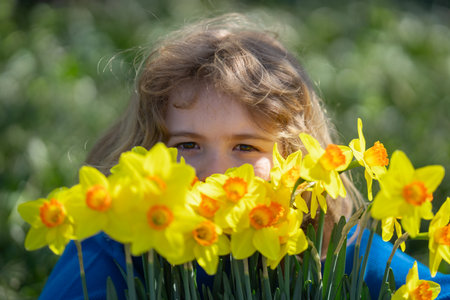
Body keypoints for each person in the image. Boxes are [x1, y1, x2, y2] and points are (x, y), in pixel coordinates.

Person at [38, 13, 449, 299]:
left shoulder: (328, 245)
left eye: (246, 147)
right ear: (148, 153)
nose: (216, 172)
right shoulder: (112, 249)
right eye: (187, 145)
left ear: (295, 157)